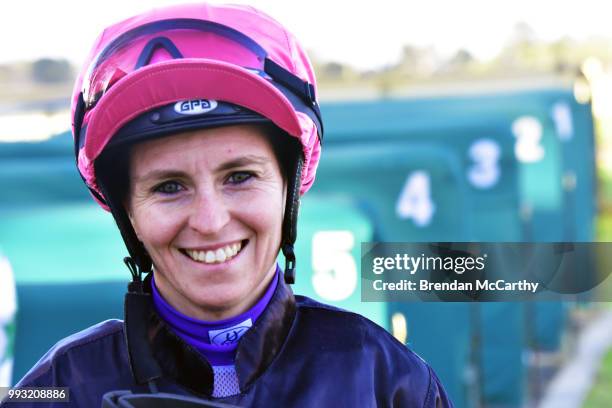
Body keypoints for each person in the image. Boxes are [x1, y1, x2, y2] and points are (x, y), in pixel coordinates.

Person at [9, 3, 453, 407]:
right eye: (168, 186)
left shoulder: (384, 377)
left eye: (240, 177)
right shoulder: (56, 389)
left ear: (288, 187)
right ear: (127, 211)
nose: (210, 221)